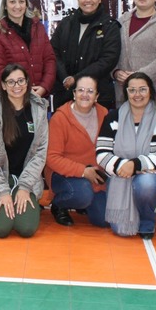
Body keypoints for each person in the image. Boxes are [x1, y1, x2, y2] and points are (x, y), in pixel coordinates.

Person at [96, 72, 156, 239]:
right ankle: (139, 206)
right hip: (119, 176)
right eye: (132, 90)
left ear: (150, 91)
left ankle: (147, 221)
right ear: (126, 92)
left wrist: (134, 165)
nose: (137, 94)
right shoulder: (112, 117)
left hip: (155, 178)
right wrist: (123, 167)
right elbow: (102, 154)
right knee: (119, 230)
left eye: (142, 89)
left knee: (146, 184)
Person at [0, 64, 49, 238]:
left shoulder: (38, 109)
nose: (17, 86)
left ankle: (18, 196)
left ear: (27, 82)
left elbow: (40, 153)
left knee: (27, 229)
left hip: (25, 177)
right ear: (3, 85)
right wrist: (2, 191)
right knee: (1, 229)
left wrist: (25, 187)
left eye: (21, 80)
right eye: (11, 82)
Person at [46, 75, 108, 228]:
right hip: (63, 174)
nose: (85, 95)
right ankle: (59, 204)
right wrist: (83, 171)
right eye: (80, 90)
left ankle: (84, 203)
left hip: (95, 177)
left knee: (104, 220)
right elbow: (52, 157)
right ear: (74, 94)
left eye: (90, 91)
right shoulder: (60, 118)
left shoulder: (104, 114)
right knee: (83, 194)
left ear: (97, 96)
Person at [50, 0, 121, 110]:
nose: (88, 0)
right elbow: (53, 53)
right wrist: (65, 78)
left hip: (98, 95)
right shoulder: (66, 23)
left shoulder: (110, 26)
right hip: (65, 93)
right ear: (78, 0)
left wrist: (76, 79)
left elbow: (108, 59)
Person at [0, 0, 56, 99]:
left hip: (38, 96)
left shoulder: (38, 27)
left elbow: (49, 59)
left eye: (21, 1)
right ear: (5, 5)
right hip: (8, 99)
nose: (17, 6)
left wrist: (44, 86)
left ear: (26, 4)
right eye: (12, 2)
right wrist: (21, 89)